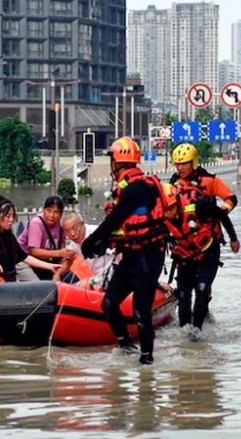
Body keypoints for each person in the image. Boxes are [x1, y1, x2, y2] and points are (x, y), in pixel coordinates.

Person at [82, 137, 167, 365]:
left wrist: (90, 240)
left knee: (141, 313)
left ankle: (146, 362)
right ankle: (126, 346)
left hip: (148, 257)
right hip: (130, 255)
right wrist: (103, 243)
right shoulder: (128, 188)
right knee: (108, 304)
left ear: (117, 162)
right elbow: (120, 225)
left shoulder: (136, 189)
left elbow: (117, 218)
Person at [169, 143, 239, 337]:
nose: (180, 168)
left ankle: (197, 334)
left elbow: (231, 199)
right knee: (183, 294)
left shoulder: (209, 181)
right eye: (177, 164)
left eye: (184, 163)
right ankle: (184, 333)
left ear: (194, 162)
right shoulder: (174, 184)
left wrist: (216, 214)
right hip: (184, 246)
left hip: (208, 243)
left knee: (202, 288)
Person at [0, 195, 66, 288]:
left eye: (12, 216)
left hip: (8, 282)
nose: (11, 220)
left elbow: (24, 257)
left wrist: (49, 266)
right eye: (7, 216)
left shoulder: (9, 237)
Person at [16, 195, 75, 281]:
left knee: (73, 279)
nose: (51, 215)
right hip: (25, 259)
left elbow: (62, 250)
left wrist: (59, 271)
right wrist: (59, 253)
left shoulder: (61, 224)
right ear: (43, 209)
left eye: (56, 212)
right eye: (48, 210)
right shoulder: (37, 223)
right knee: (40, 288)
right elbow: (34, 251)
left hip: (47, 261)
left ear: (60, 214)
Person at [60, 211, 117, 284]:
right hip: (98, 277)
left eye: (75, 228)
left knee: (83, 284)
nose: (72, 233)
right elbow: (67, 259)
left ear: (82, 224)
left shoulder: (97, 233)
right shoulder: (73, 244)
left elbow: (120, 252)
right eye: (67, 231)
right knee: (66, 279)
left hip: (113, 273)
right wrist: (57, 274)